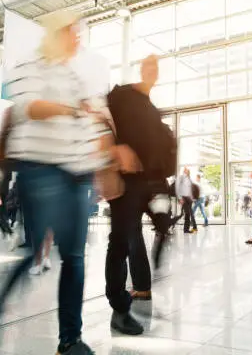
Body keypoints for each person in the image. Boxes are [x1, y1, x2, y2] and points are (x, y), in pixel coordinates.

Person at [0, 10, 111, 355]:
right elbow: (31, 108)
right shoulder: (29, 65)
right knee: (34, 250)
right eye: (71, 32)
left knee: (75, 257)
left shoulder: (74, 77)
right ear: (55, 34)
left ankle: (70, 341)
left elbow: (86, 126)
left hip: (75, 173)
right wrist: (74, 110)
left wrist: (99, 165)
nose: (77, 38)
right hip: (41, 168)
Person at [105, 54, 177, 333]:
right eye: (148, 66)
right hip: (127, 183)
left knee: (158, 222)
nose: (152, 71)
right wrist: (114, 151)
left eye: (156, 67)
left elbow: (160, 152)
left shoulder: (152, 109)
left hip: (150, 183)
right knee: (121, 242)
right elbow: (103, 121)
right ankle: (120, 308)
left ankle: (144, 283)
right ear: (141, 68)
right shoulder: (123, 95)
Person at [176, 167, 196, 234]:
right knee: (187, 213)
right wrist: (180, 198)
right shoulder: (181, 177)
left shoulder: (189, 179)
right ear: (184, 171)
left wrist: (192, 197)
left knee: (188, 214)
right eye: (186, 170)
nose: (187, 171)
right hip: (183, 198)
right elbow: (177, 187)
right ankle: (185, 229)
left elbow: (190, 189)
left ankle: (186, 229)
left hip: (189, 199)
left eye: (188, 170)